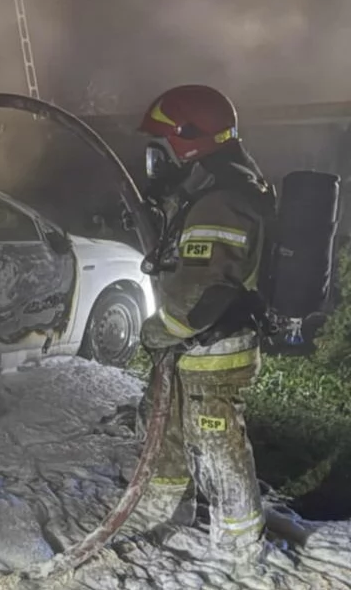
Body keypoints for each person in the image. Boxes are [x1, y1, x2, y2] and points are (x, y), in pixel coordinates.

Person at [132, 85, 276, 558]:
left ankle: (240, 542)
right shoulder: (216, 188)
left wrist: (160, 329)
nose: (158, 160)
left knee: (214, 439)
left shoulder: (222, 201)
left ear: (190, 141)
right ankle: (166, 506)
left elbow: (204, 295)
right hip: (195, 346)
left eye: (164, 147)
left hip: (215, 347)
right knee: (166, 422)